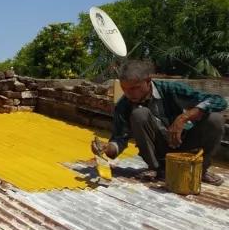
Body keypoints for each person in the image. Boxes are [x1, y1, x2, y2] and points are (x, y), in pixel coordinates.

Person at [91, 59, 227, 186]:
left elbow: (219, 101)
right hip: (159, 151)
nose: (128, 94)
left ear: (148, 81)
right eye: (124, 89)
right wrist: (107, 148)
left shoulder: (171, 89)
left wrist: (184, 117)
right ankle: (156, 169)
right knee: (139, 114)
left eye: (134, 88)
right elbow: (119, 139)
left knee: (215, 119)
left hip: (185, 144)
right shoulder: (123, 105)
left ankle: (201, 170)